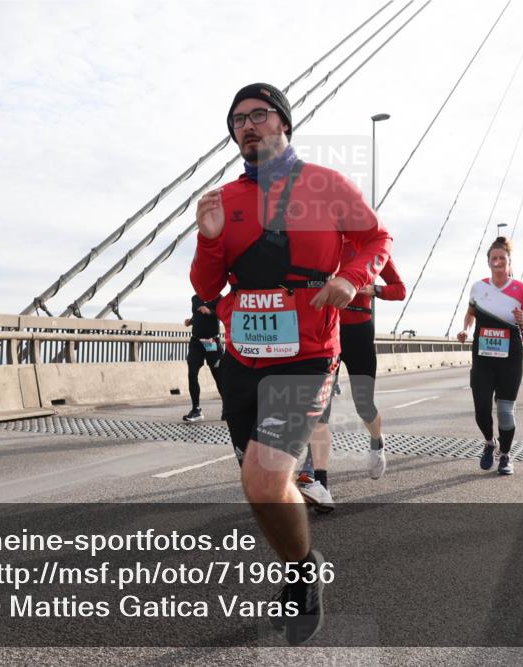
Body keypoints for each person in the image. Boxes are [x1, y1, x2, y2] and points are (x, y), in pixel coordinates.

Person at [190, 82, 392, 645]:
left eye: (259, 115)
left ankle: (303, 573)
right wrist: (208, 242)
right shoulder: (225, 201)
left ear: (284, 123)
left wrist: (351, 279)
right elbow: (208, 287)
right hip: (242, 360)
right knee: (257, 484)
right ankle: (301, 562)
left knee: (264, 476)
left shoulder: (326, 185)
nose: (247, 126)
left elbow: (376, 238)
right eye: (237, 121)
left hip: (305, 356)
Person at [297, 245, 407, 510]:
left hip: (359, 332)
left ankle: (377, 441)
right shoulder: (326, 244)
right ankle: (317, 479)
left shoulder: (374, 250)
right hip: (327, 330)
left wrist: (374, 289)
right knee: (320, 406)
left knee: (364, 406)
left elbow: (400, 289)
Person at [456, 236, 523, 475]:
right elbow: (470, 313)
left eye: (502, 258)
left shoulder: (521, 289)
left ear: (509, 262)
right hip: (482, 353)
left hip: (511, 354)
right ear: (488, 262)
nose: (498, 262)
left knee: (504, 410)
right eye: (494, 258)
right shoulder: (478, 287)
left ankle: (506, 455)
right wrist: (465, 329)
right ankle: (490, 443)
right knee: (481, 408)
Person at [182, 294, 223, 422]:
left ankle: (227, 407)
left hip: (212, 343)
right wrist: (191, 321)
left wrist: (210, 311)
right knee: (192, 373)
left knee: (219, 376)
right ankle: (196, 410)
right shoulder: (195, 298)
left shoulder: (219, 298)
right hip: (196, 343)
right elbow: (197, 314)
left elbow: (223, 315)